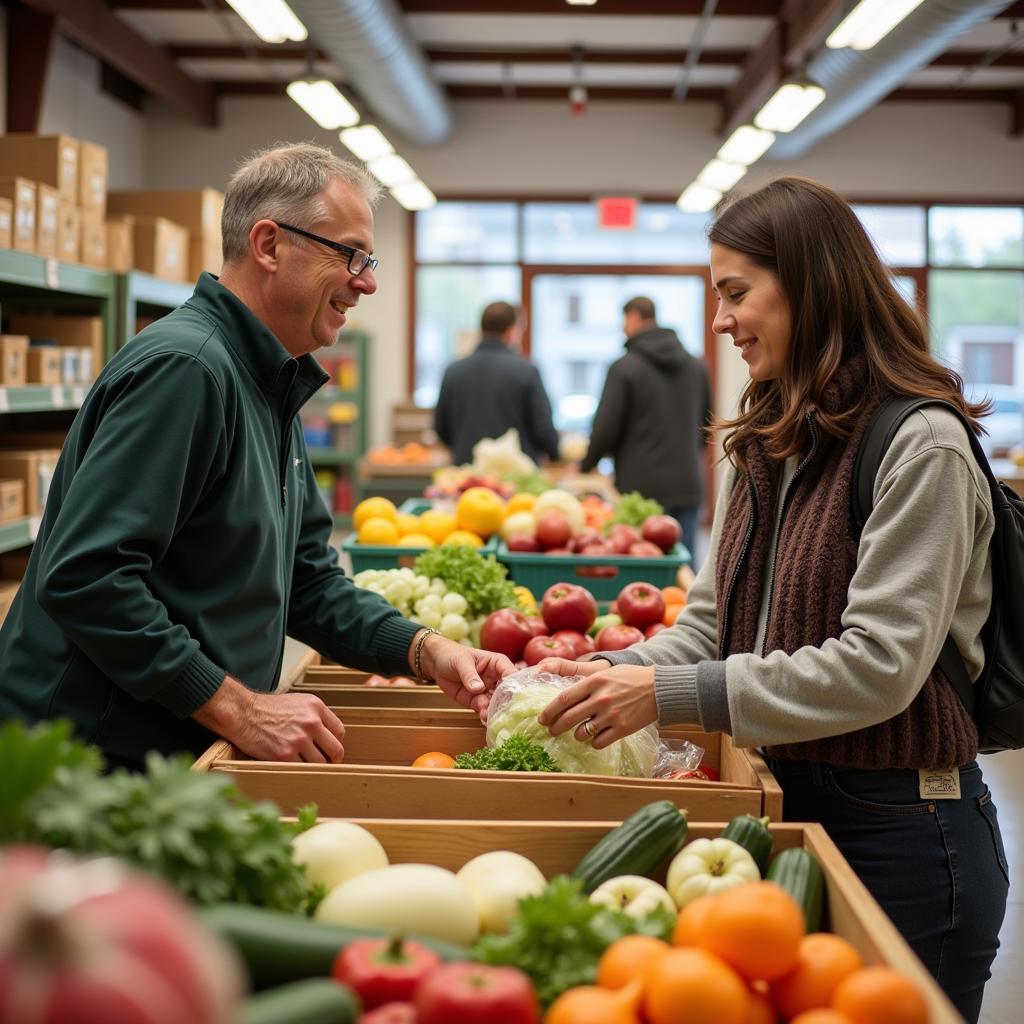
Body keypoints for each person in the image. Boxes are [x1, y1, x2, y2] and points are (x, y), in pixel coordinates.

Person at [536, 177, 1008, 1022]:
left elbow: (880, 667)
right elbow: (711, 632)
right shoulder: (766, 439)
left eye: (735, 293)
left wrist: (667, 694)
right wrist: (596, 672)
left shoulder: (921, 443)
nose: (720, 320)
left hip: (906, 830)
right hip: (778, 806)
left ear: (812, 282)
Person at [0, 142, 512, 771]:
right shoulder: (187, 371)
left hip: (163, 750)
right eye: (351, 254)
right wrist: (239, 708)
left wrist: (426, 649)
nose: (368, 281)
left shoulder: (269, 378)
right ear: (269, 245)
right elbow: (85, 576)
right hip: (83, 758)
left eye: (370, 259)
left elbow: (306, 582)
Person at [579, 296, 711, 561]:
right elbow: (708, 424)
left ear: (634, 317)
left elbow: (606, 428)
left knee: (643, 571)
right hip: (686, 483)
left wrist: (586, 465)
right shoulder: (696, 366)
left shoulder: (624, 367)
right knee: (681, 570)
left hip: (640, 490)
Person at [434, 301, 561, 466]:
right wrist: (555, 455)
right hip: (517, 479)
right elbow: (543, 429)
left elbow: (441, 430)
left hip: (467, 475)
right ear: (512, 331)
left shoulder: (453, 371)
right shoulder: (527, 371)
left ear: (482, 329)